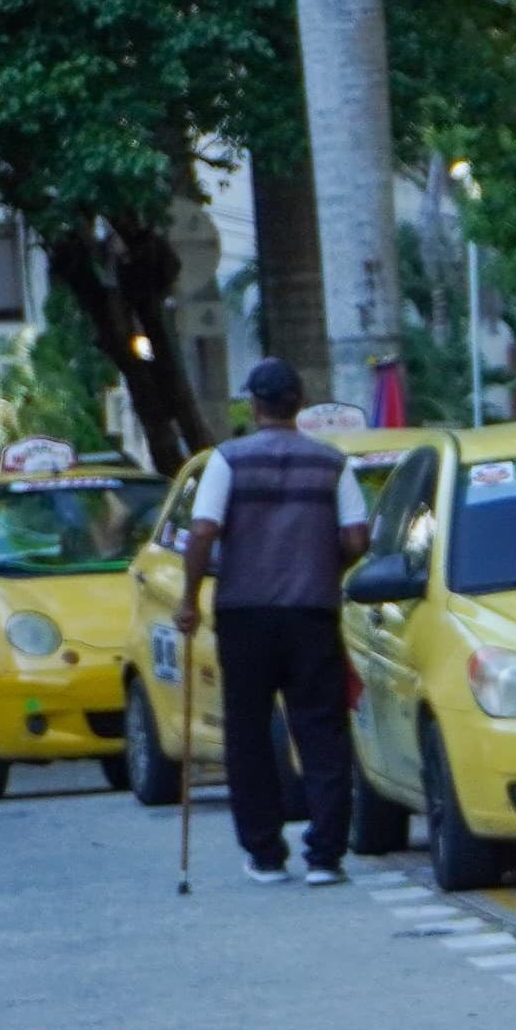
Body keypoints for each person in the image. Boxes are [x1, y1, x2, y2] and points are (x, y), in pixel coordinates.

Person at [179, 358, 374, 884]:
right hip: (312, 612)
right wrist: (322, 565)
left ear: (254, 404)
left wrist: (190, 598)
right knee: (322, 731)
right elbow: (357, 538)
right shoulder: (332, 464)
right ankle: (325, 855)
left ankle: (265, 853)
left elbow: (201, 531)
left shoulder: (227, 460)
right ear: (299, 402)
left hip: (244, 614)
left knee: (248, 733)